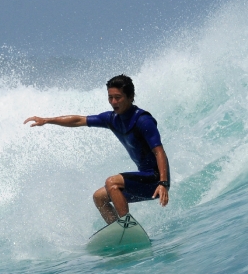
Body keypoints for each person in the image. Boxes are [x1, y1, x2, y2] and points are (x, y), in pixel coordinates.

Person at [23, 74, 169, 224]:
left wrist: (163, 183)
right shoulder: (111, 119)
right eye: (110, 97)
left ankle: (127, 226)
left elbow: (159, 152)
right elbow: (79, 120)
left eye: (118, 97)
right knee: (99, 197)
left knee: (112, 182)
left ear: (131, 96)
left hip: (156, 179)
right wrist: (47, 120)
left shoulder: (143, 120)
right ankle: (118, 231)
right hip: (143, 180)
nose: (113, 102)